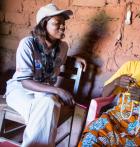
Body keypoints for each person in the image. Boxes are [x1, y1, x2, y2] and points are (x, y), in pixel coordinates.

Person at [79, 28, 140, 147]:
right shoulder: (130, 66)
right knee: (92, 137)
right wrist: (116, 81)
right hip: (117, 118)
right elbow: (104, 94)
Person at [5, 3, 83, 147]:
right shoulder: (27, 44)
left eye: (64, 23)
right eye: (57, 23)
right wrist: (58, 90)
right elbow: (25, 82)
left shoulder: (63, 47)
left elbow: (61, 58)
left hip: (44, 92)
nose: (63, 26)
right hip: (20, 89)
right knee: (48, 108)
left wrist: (75, 59)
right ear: (43, 25)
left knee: (47, 104)